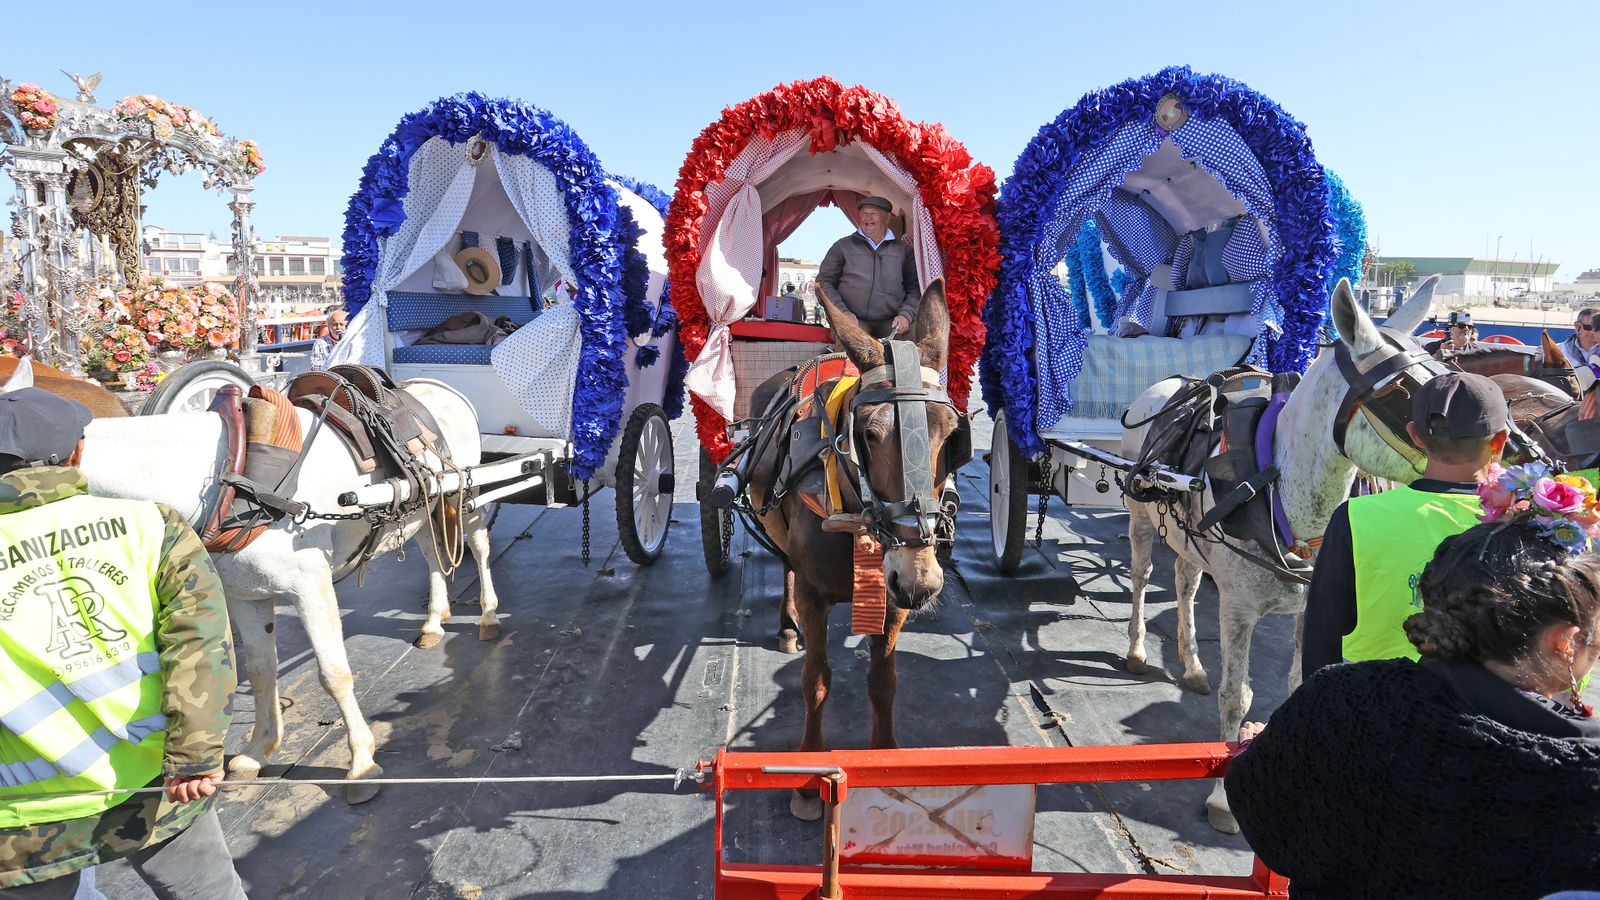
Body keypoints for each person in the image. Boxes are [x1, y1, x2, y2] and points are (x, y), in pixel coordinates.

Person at [1226, 510, 1600, 899]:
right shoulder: (1585, 780)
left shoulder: (1342, 693)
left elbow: (1261, 808)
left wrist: (1270, 746)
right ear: (1565, 640)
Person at [0, 389, 242, 898]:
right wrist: (196, 756)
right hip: (154, 783)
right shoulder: (152, 525)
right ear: (78, 452)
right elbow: (200, 647)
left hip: (22, 816)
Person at [1301, 372, 1509, 677]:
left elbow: (1322, 630)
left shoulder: (1354, 517)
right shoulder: (1521, 519)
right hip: (1477, 709)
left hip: (1369, 698)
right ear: (1500, 440)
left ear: (1414, 435)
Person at [815, 196, 920, 339]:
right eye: (864, 213)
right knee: (850, 344)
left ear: (887, 217)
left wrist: (906, 315)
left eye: (874, 213)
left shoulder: (904, 251)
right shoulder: (842, 246)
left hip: (891, 321)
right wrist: (841, 313)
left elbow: (915, 287)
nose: (868, 218)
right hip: (852, 320)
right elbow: (824, 282)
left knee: (909, 345)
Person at [308, 306, 346, 371]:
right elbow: (314, 365)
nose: (338, 327)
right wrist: (336, 365)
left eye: (341, 324)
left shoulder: (352, 341)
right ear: (328, 326)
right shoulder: (320, 342)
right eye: (335, 324)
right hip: (330, 377)